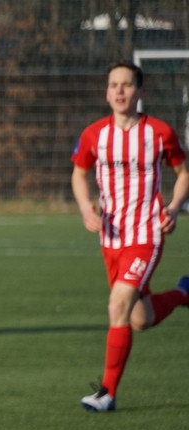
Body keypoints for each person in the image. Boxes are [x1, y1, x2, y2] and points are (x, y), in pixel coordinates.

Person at [71, 60, 189, 412]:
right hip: (110, 238)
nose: (120, 90)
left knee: (117, 305)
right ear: (107, 94)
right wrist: (86, 208)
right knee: (139, 318)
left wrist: (173, 208)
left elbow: (183, 173)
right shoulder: (94, 135)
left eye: (127, 84)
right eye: (114, 85)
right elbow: (79, 173)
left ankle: (106, 393)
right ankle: (184, 293)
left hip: (146, 234)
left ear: (140, 92)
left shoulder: (159, 132)